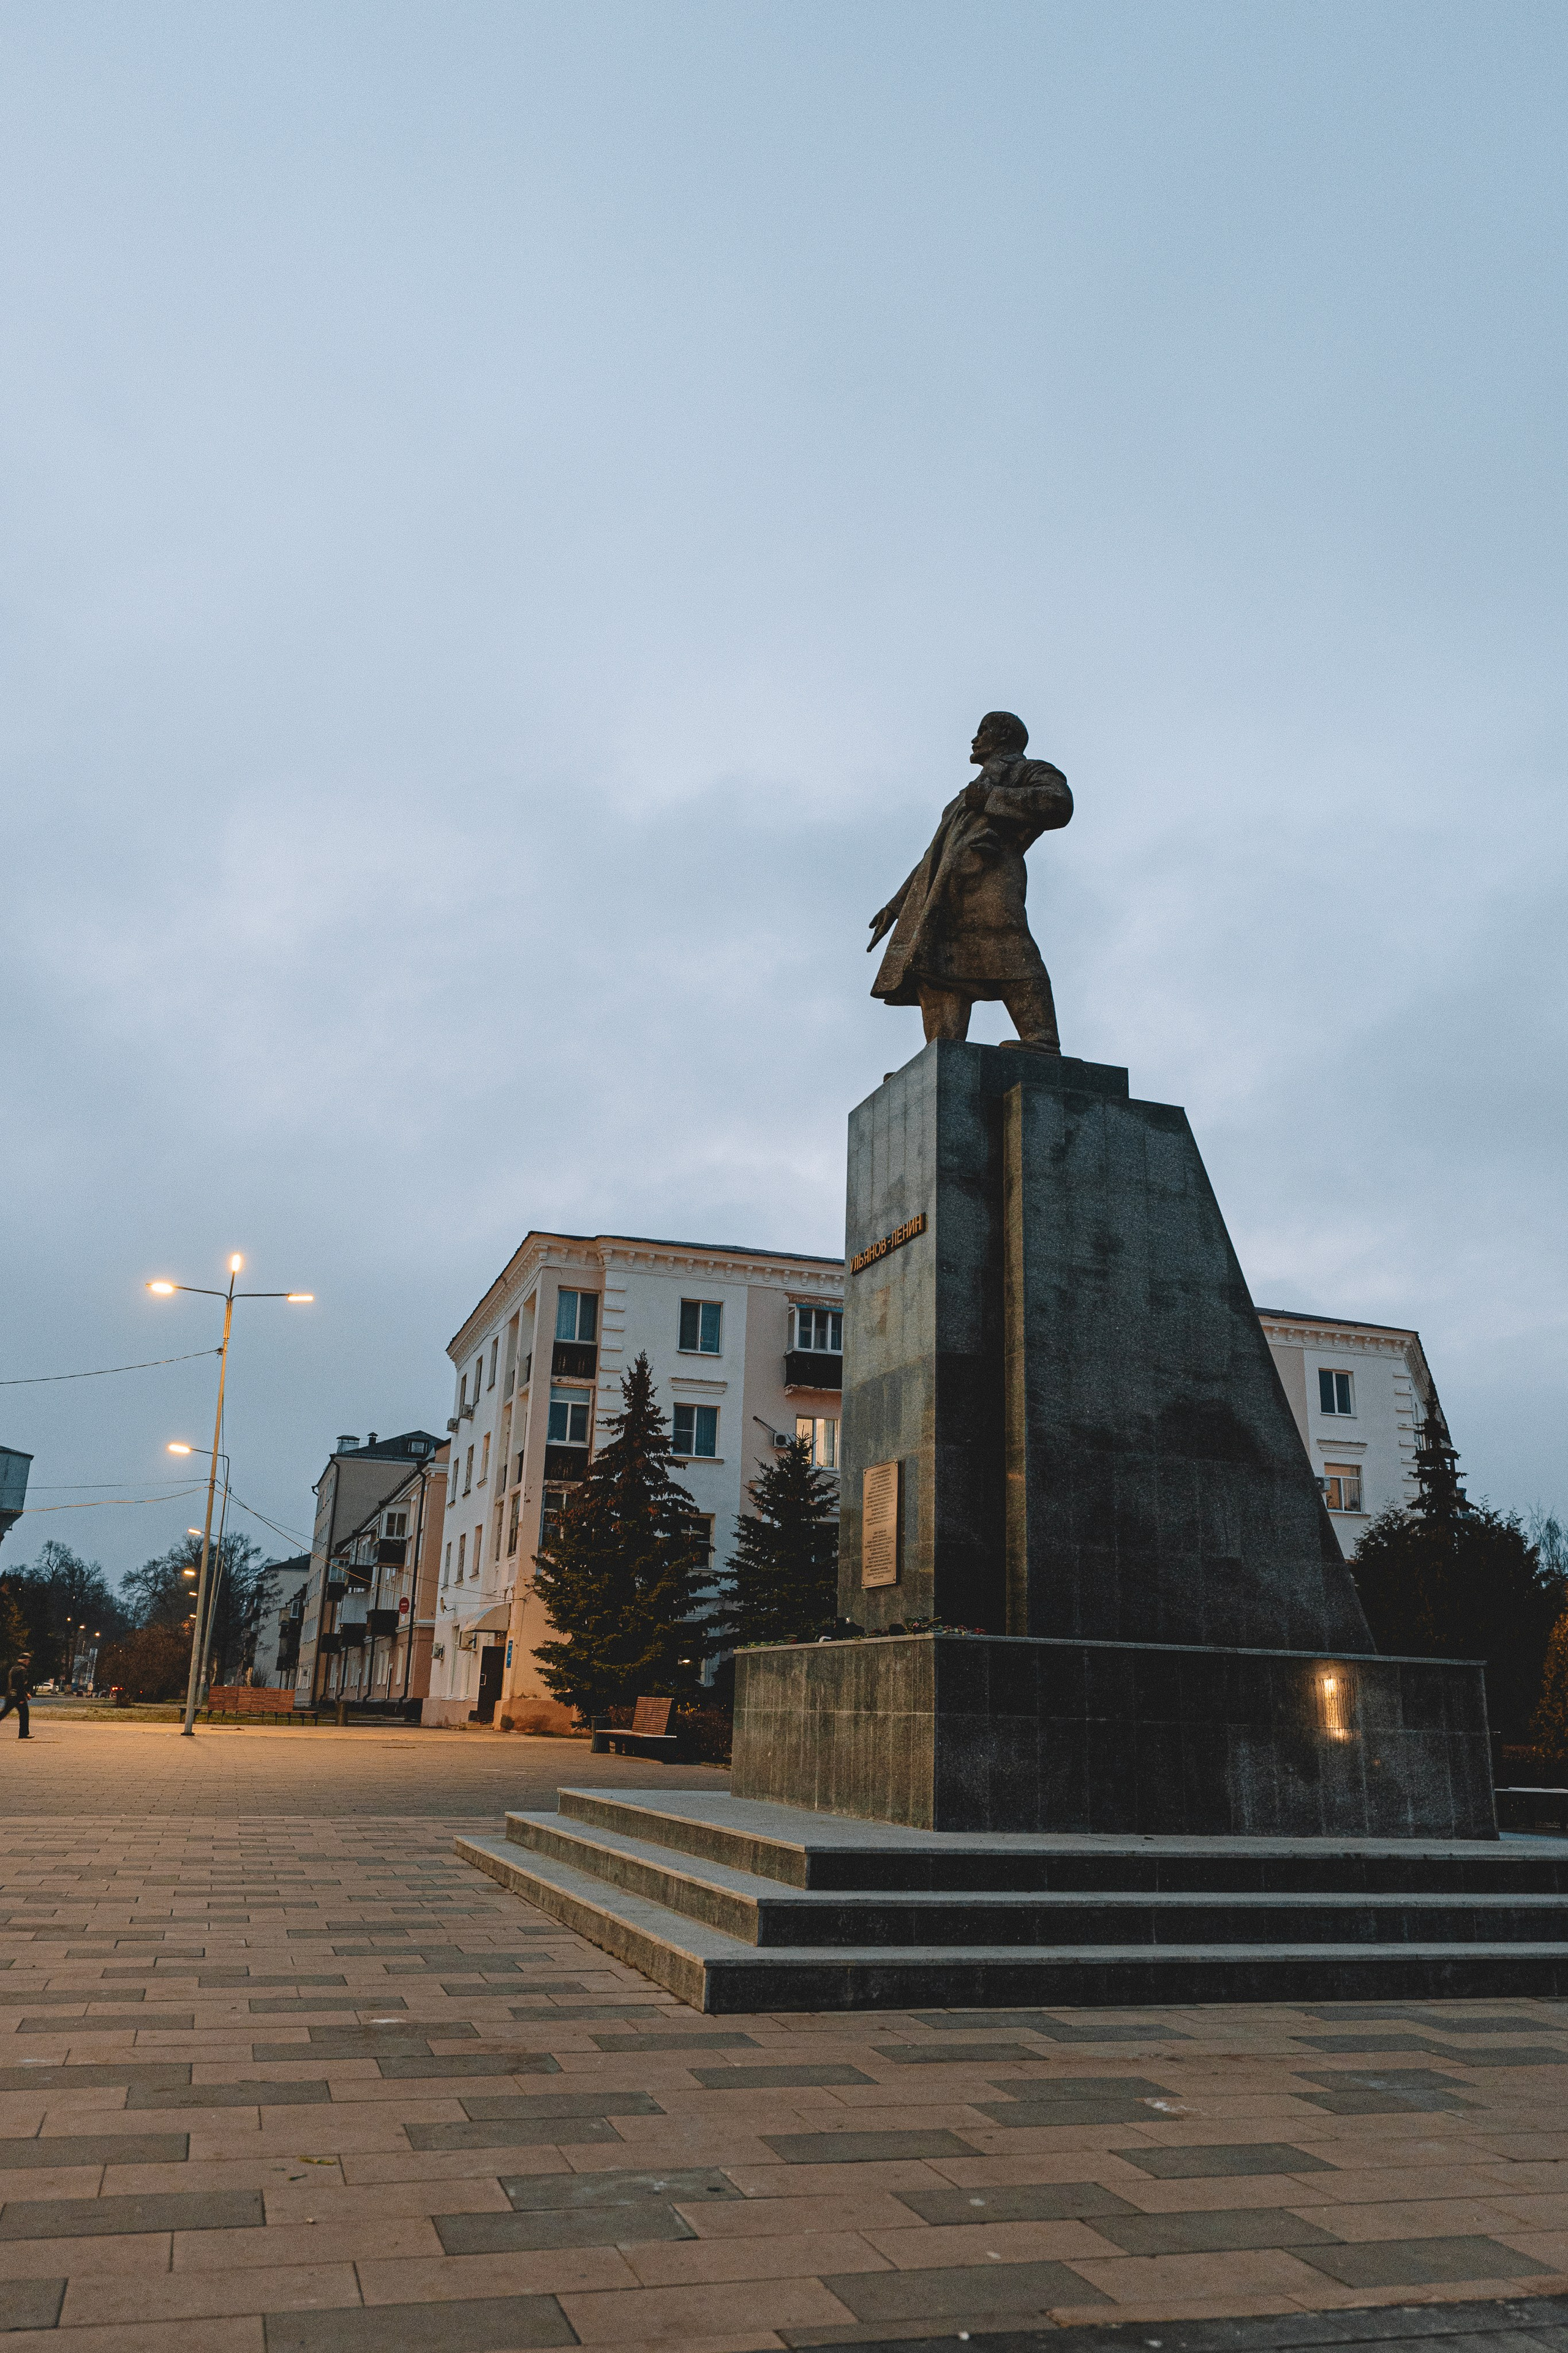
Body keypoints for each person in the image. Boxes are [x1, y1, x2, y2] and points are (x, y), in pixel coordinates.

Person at [867, 709, 1072, 1051]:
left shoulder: (1028, 770)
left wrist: (993, 799)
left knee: (1008, 945)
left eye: (983, 731)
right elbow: (932, 856)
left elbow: (1058, 804)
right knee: (936, 964)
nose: (975, 739)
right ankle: (940, 1053)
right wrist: (898, 904)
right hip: (943, 893)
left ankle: (1041, 1039)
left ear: (1004, 736)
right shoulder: (960, 800)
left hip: (987, 879)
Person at [0, 1653, 31, 1739]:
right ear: (25, 1661)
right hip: (18, 1696)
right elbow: (20, 1685)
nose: (29, 1662)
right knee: (25, 1714)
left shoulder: (13, 1669)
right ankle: (23, 1734)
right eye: (28, 1660)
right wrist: (22, 1697)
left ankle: (24, 1734)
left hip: (10, 1694)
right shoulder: (22, 1670)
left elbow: (13, 1684)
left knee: (4, 1713)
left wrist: (26, 1694)